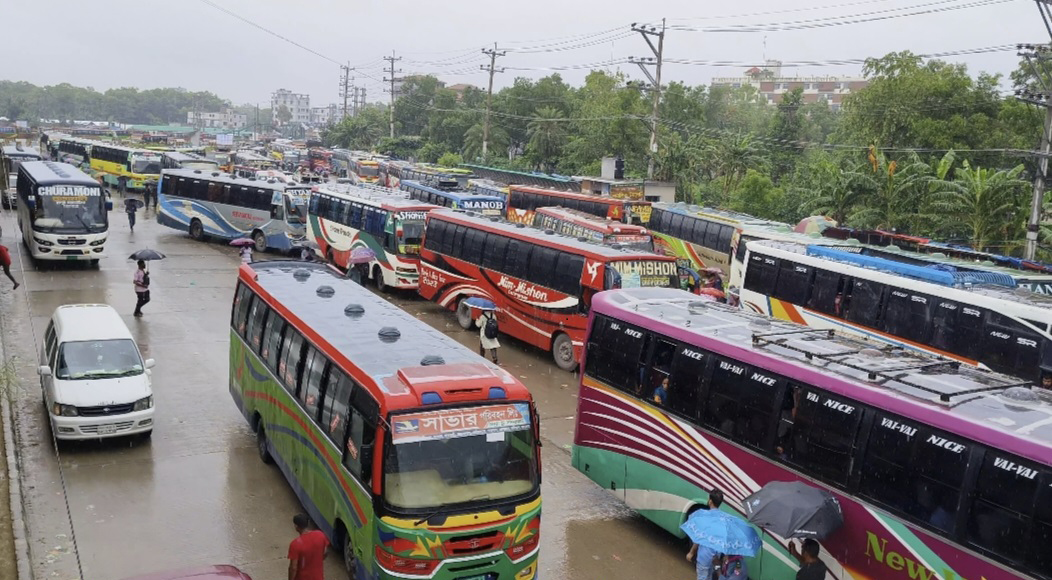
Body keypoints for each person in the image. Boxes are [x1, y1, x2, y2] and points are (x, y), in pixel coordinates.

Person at [287, 513, 328, 580]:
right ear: (308, 523)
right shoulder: (320, 535)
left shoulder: (295, 545)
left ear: (296, 527)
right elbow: (325, 552)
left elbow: (293, 568)